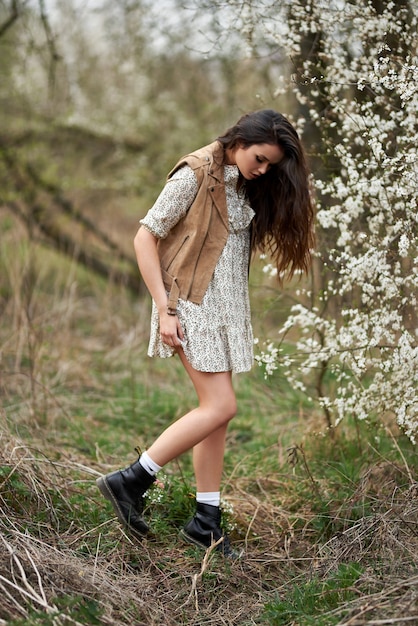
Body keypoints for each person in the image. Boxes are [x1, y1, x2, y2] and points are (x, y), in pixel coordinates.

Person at [96, 109, 315, 558]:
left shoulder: (240, 179)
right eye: (260, 158)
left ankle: (205, 520)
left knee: (217, 415)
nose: (264, 169)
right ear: (239, 140)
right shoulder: (195, 172)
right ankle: (131, 480)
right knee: (221, 405)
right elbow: (145, 237)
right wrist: (164, 309)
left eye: (271, 164)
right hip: (189, 307)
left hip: (226, 312)